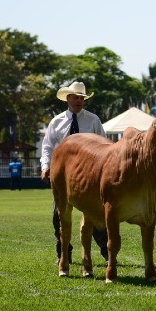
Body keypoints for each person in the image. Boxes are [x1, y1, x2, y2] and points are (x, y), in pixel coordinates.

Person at [40, 81, 108, 264]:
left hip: (88, 176)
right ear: (67, 99)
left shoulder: (93, 120)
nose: (79, 101)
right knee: (59, 216)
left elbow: (105, 145)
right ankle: (64, 254)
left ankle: (108, 252)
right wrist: (45, 166)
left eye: (81, 98)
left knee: (95, 214)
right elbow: (47, 147)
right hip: (63, 176)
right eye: (75, 98)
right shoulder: (57, 121)